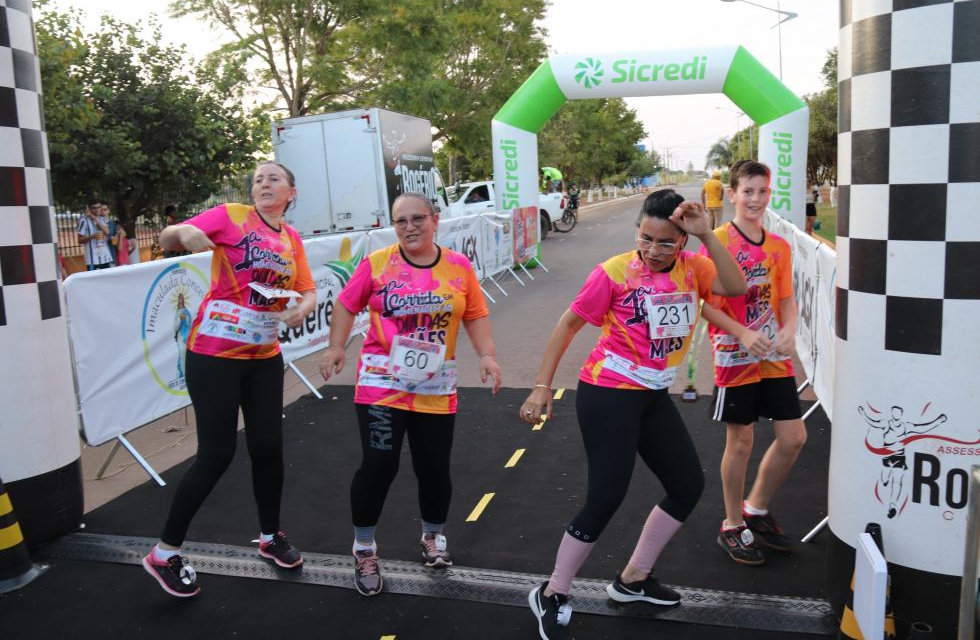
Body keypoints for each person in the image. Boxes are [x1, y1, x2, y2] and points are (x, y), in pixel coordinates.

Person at [521, 190, 747, 639]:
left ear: (682, 241)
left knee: (687, 485)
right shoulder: (614, 271)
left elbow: (735, 287)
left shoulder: (694, 267)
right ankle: (552, 592)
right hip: (607, 392)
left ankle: (633, 580)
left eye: (666, 242)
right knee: (605, 496)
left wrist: (707, 236)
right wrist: (542, 386)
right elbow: (569, 323)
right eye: (646, 238)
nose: (654, 250)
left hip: (652, 394)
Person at [142, 162, 317, 598]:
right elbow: (168, 236)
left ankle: (270, 537)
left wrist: (304, 307)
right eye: (258, 179)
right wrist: (184, 233)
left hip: (263, 356)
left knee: (268, 448)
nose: (263, 183)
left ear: (291, 193)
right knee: (216, 454)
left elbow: (308, 288)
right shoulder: (231, 216)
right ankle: (164, 553)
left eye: (273, 178)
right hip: (214, 355)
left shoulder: (291, 239)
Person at [318, 192, 502, 597]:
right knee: (379, 464)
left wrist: (487, 355)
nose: (409, 227)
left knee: (433, 467)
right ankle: (364, 548)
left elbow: (474, 314)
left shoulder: (458, 266)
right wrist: (336, 347)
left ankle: (433, 537)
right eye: (400, 221)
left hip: (435, 387)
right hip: (382, 383)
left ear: (435, 220)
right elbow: (346, 305)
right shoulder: (377, 263)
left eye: (417, 218)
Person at [698, 160, 806, 566]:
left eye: (762, 191)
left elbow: (786, 298)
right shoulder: (716, 241)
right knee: (741, 441)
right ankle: (732, 524)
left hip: (773, 354)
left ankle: (756, 508)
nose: (755, 199)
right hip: (734, 354)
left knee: (793, 438)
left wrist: (790, 329)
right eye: (748, 191)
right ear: (732, 194)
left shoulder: (779, 246)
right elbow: (701, 302)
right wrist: (741, 332)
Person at [76, 202, 114, 270]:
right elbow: (79, 240)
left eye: (98, 207)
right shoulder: (84, 220)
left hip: (105, 257)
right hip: (92, 260)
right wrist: (92, 237)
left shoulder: (103, 219)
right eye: (94, 208)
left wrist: (95, 218)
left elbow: (107, 232)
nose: (97, 210)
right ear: (90, 209)